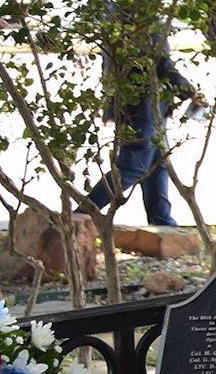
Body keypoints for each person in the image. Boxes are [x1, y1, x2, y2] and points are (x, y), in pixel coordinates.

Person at [86, 16, 201, 226]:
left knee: (158, 163)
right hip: (145, 106)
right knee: (134, 165)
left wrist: (111, 105)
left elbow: (110, 64)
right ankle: (83, 212)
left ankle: (163, 221)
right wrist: (189, 92)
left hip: (142, 105)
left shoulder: (117, 13)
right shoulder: (145, 14)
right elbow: (161, 62)